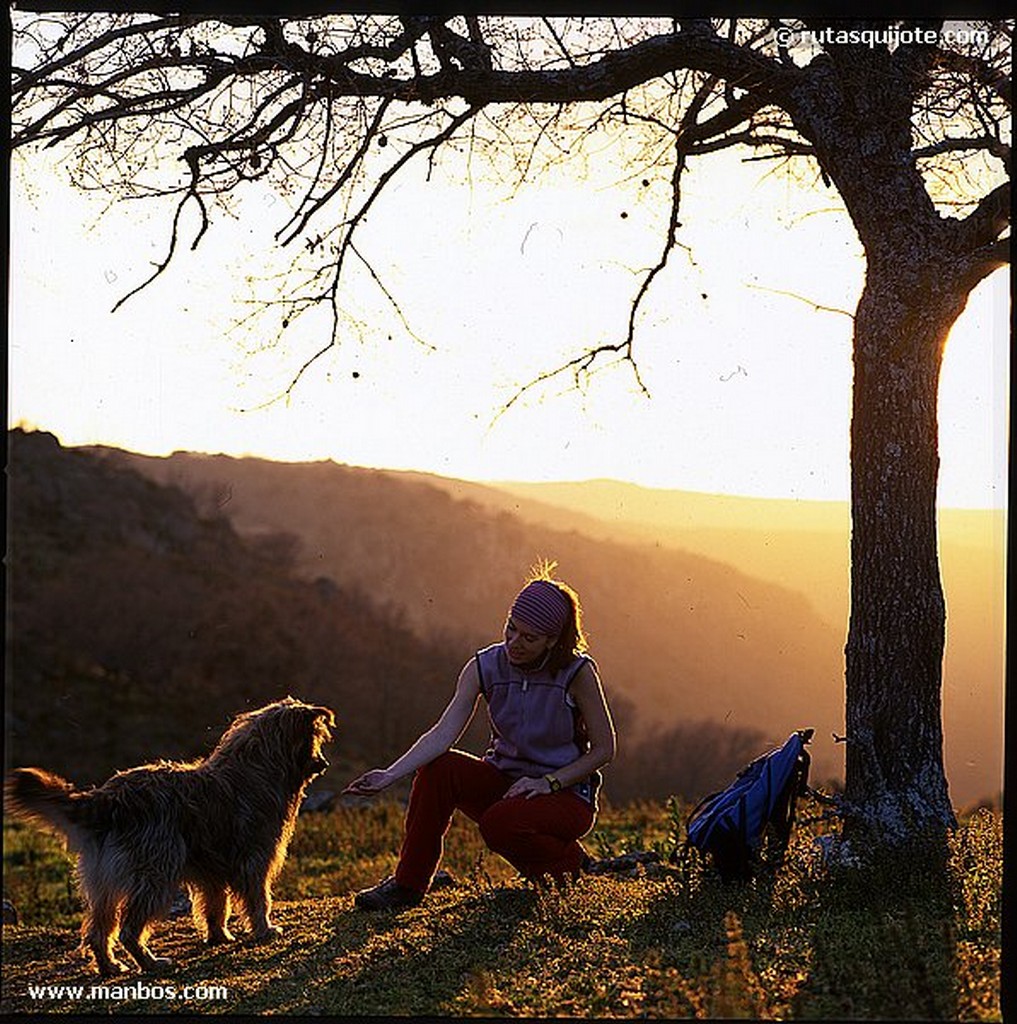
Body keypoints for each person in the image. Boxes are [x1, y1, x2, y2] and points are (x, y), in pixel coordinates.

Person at [343, 567, 616, 911]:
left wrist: (549, 782)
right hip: (504, 783)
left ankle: (569, 868)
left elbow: (605, 748)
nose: (514, 644)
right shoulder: (484, 666)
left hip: (565, 794)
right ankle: (407, 885)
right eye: (511, 629)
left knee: (499, 824)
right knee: (438, 769)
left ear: (553, 640)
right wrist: (389, 774)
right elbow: (444, 733)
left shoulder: (577, 673)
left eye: (529, 638)